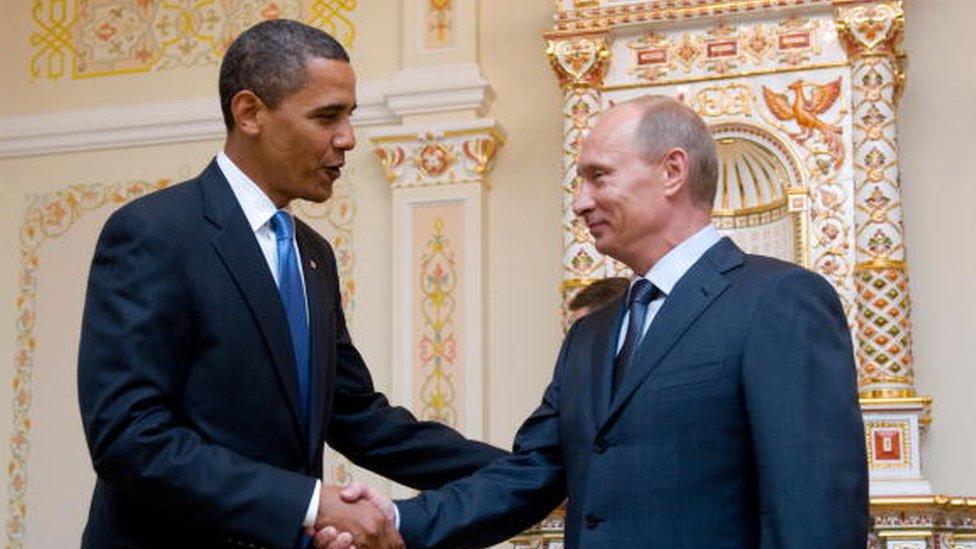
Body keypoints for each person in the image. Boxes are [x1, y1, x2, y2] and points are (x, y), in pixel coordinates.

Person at [319, 95, 869, 548]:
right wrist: (396, 521)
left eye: (598, 177)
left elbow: (813, 510)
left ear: (672, 170)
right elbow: (533, 472)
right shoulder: (592, 333)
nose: (580, 202)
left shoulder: (779, 300)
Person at [76, 19, 505, 549]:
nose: (347, 139)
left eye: (350, 117)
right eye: (328, 117)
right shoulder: (153, 233)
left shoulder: (313, 255)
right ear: (250, 113)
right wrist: (306, 504)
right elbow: (129, 437)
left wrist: (530, 475)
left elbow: (358, 418)